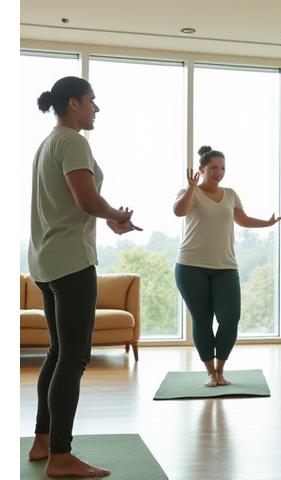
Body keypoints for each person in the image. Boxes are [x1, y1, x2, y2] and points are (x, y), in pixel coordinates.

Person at [27, 76, 142, 478]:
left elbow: (72, 205)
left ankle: (43, 441)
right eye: (93, 101)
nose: (97, 108)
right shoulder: (74, 141)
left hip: (45, 262)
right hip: (71, 263)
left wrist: (107, 218)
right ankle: (61, 456)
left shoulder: (49, 143)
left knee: (58, 353)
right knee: (73, 357)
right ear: (74, 103)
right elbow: (86, 199)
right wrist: (115, 214)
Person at [173, 146, 281, 387]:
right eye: (213, 168)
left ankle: (221, 369)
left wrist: (267, 222)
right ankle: (210, 372)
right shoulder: (189, 192)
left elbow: (242, 220)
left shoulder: (230, 194)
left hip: (225, 266)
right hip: (191, 266)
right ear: (201, 169)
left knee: (230, 317)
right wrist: (192, 188)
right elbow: (178, 211)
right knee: (202, 320)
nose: (219, 172)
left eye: (222, 168)